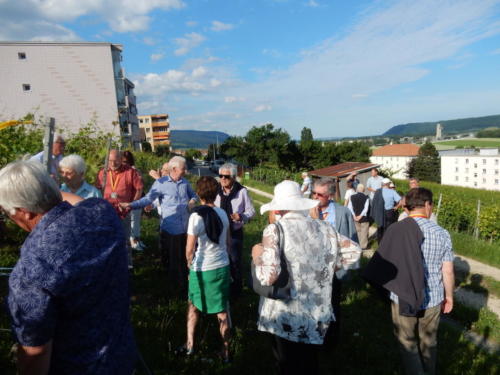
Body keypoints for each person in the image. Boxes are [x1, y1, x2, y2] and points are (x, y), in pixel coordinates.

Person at [0, 160, 136, 374]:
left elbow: (36, 352)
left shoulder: (31, 269)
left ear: (24, 212)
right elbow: (75, 203)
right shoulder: (102, 214)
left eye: (6, 212)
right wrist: (42, 190)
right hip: (119, 357)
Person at [252, 180, 361, 375]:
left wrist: (256, 255)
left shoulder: (275, 230)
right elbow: (354, 252)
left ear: (278, 209)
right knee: (310, 362)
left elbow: (268, 277)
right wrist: (326, 268)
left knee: (286, 363)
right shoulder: (326, 228)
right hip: (317, 310)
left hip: (285, 312)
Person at [363, 188, 454, 375]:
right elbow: (448, 270)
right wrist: (449, 296)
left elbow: (384, 263)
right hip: (433, 297)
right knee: (430, 342)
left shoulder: (395, 229)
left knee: (408, 343)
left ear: (406, 207)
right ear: (428, 205)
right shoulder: (442, 233)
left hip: (402, 295)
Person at [123, 156, 197, 295]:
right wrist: (131, 205)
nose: (185, 171)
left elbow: (194, 195)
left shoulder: (184, 182)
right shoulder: (161, 183)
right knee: (175, 259)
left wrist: (192, 201)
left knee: (186, 257)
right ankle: (177, 288)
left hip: (186, 228)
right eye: (183, 168)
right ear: (174, 169)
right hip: (172, 228)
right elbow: (147, 199)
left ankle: (187, 284)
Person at [183, 176, 231, 360]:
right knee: (222, 310)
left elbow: (189, 249)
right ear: (216, 193)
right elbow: (227, 243)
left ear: (198, 193)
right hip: (222, 265)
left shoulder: (196, 216)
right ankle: (225, 352)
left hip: (202, 267)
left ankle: (190, 345)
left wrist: (189, 267)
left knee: (193, 306)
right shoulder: (223, 214)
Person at [96, 149, 143, 268]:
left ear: (120, 159)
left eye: (115, 160)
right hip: (107, 212)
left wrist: (131, 204)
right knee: (108, 239)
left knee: (125, 239)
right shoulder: (103, 173)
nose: (113, 164)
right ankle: (111, 265)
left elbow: (139, 188)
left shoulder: (130, 171)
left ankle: (127, 265)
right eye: (110, 161)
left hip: (124, 212)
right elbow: (97, 190)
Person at [214, 163, 255, 298]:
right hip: (218, 232)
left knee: (234, 260)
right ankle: (221, 287)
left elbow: (251, 211)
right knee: (219, 259)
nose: (223, 179)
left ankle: (235, 290)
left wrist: (241, 216)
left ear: (233, 177)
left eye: (226, 176)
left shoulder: (241, 191)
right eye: (221, 176)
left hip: (234, 232)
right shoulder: (216, 190)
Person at [122, 150, 145, 251]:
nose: (124, 163)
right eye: (122, 161)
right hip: (127, 200)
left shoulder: (133, 170)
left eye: (126, 161)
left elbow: (139, 186)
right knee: (131, 222)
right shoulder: (123, 171)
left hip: (135, 200)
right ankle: (134, 241)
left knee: (135, 222)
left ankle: (136, 241)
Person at [372, 177, 401, 243]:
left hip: (380, 212)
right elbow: (400, 200)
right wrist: (396, 207)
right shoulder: (392, 191)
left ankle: (380, 243)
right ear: (388, 184)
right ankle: (387, 243)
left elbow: (374, 203)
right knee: (388, 228)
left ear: (382, 184)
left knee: (380, 227)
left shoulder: (377, 191)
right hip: (389, 212)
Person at [348, 183, 370, 250]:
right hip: (364, 218)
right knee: (364, 232)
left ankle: (357, 245)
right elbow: (366, 209)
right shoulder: (366, 197)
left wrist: (354, 216)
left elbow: (350, 207)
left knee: (358, 231)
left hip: (355, 217)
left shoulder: (351, 197)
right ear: (363, 190)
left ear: (357, 189)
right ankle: (363, 246)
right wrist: (360, 216)